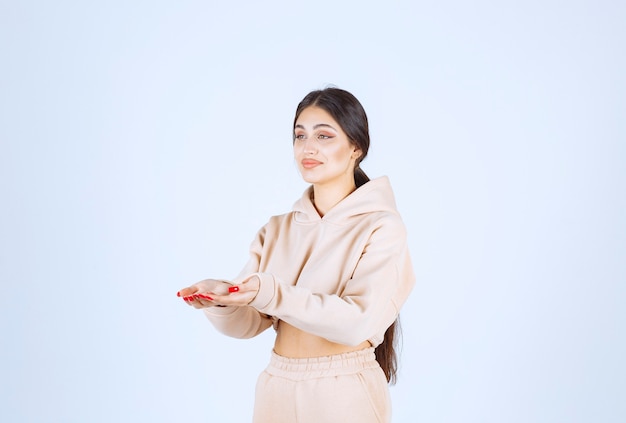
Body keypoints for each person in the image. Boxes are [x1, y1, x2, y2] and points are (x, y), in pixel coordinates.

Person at [177, 87, 415, 423]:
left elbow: (355, 323)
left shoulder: (382, 226)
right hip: (277, 388)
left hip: (344, 393)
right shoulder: (277, 229)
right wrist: (221, 300)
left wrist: (269, 292)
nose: (308, 147)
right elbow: (250, 322)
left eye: (324, 135)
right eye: (299, 135)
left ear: (356, 148)